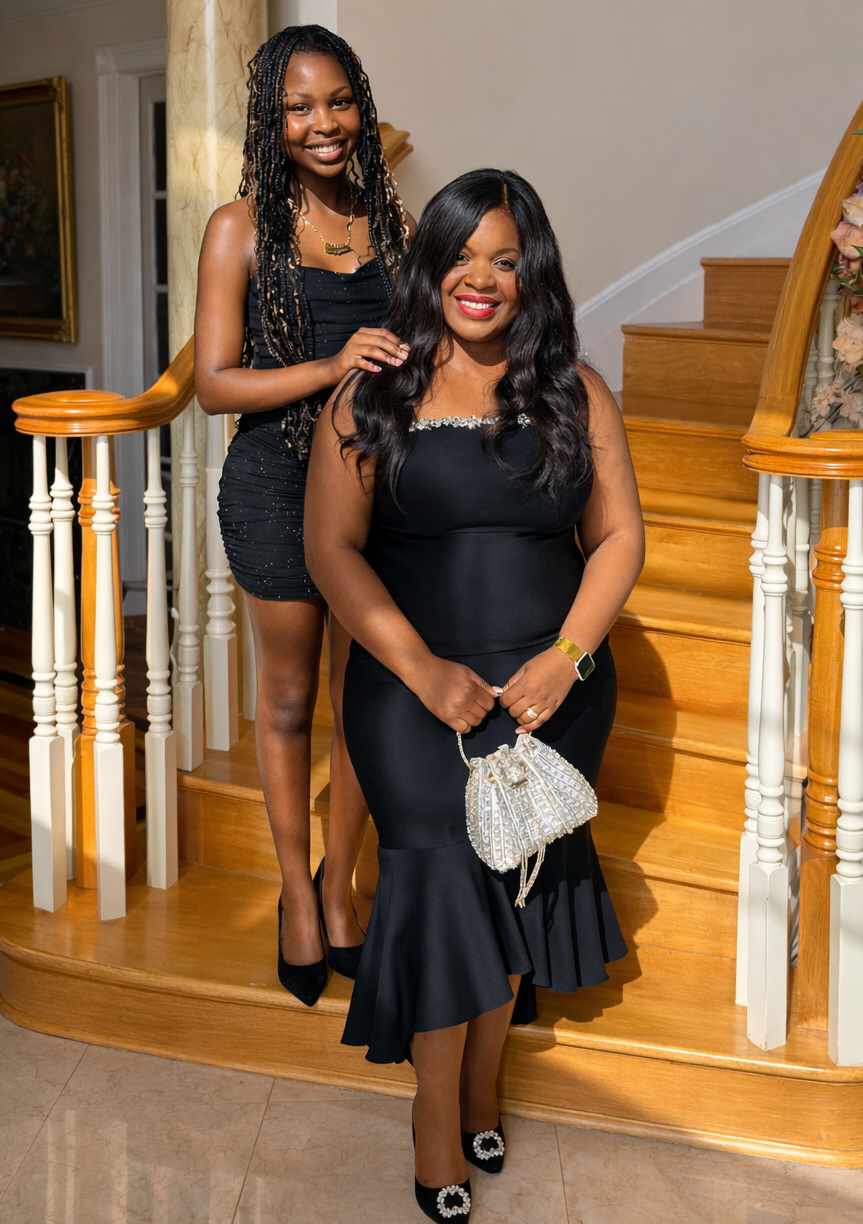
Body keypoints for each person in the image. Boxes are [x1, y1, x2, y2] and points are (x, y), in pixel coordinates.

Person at [305, 170, 645, 1221]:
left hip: (550, 690)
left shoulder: (575, 391)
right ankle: (432, 1117)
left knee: (513, 888)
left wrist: (568, 657)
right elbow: (331, 551)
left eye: (504, 259)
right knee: (446, 885)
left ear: (532, 272)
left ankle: (482, 1086)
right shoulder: (371, 393)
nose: (480, 279)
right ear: (430, 267)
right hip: (411, 688)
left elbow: (618, 538)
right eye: (460, 256)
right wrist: (419, 669)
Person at [194, 25, 415, 1006]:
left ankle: (339, 886)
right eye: (298, 106)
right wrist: (330, 366)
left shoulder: (393, 221)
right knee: (287, 704)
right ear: (269, 120)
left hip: (378, 493)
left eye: (338, 101)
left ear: (360, 105)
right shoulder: (239, 228)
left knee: (363, 704)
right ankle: (294, 892)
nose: (322, 123)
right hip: (276, 487)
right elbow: (213, 383)